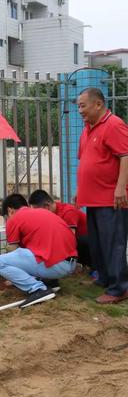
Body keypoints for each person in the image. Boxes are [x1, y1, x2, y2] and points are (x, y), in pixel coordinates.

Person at [76, 87, 128, 304]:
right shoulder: (88, 128)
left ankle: (119, 289)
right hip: (92, 199)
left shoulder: (114, 125)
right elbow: (86, 162)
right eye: (78, 106)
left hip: (110, 198)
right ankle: (104, 279)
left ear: (98, 104)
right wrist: (80, 190)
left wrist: (120, 188)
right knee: (98, 243)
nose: (80, 111)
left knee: (113, 244)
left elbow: (126, 156)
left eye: (83, 105)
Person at [0, 194, 78, 308]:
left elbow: (13, 250)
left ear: (10, 210)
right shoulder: (42, 212)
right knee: (34, 250)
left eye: (5, 217)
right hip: (72, 263)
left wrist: (15, 276)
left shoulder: (14, 219)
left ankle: (38, 289)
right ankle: (51, 283)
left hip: (57, 266)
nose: (6, 221)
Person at [28, 189, 92, 269]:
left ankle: (91, 267)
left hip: (89, 243)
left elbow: (70, 240)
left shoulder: (68, 212)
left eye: (38, 211)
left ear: (47, 206)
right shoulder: (52, 212)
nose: (37, 215)